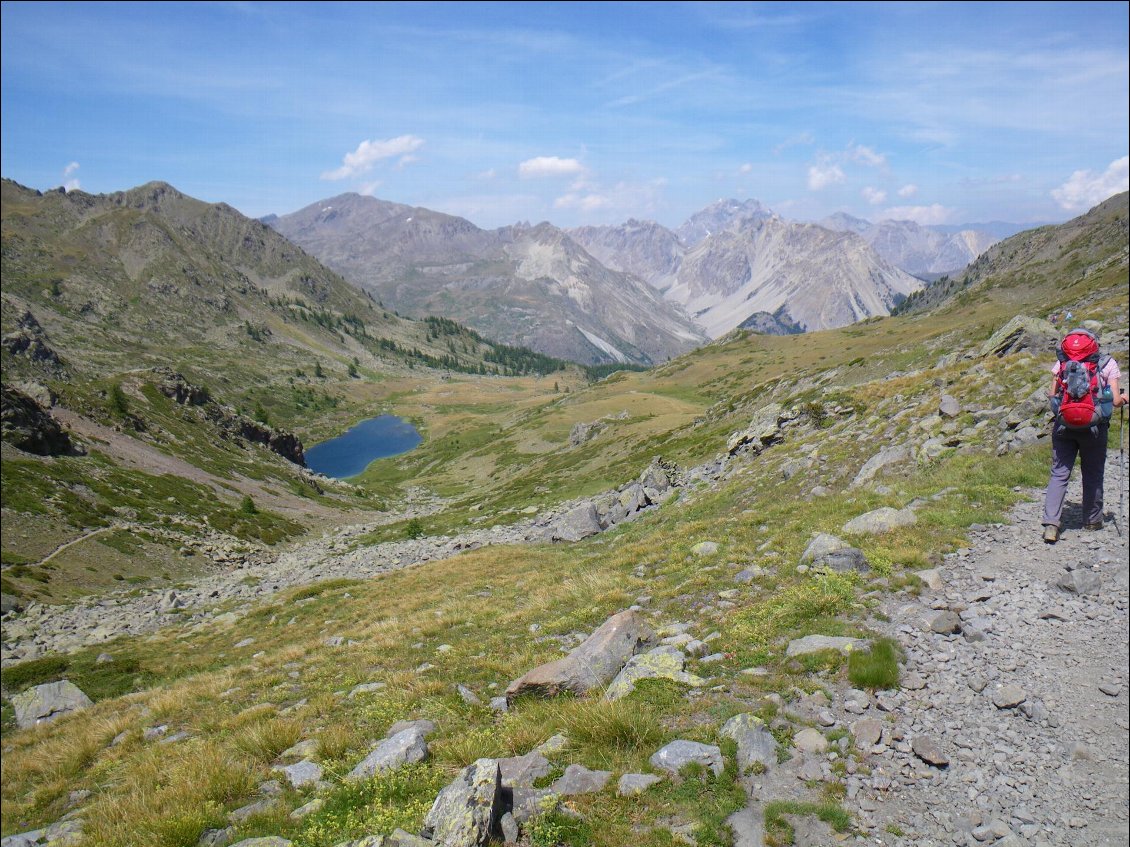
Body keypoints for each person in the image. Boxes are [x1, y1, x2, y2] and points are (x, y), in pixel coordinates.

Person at [1041, 327, 1125, 542]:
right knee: (1093, 472)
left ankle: (1051, 524)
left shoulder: (1061, 362)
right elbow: (1115, 401)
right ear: (1095, 344)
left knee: (1059, 473)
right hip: (1094, 427)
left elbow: (1053, 395)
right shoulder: (1107, 363)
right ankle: (1092, 520)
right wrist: (1125, 398)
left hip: (1064, 425)